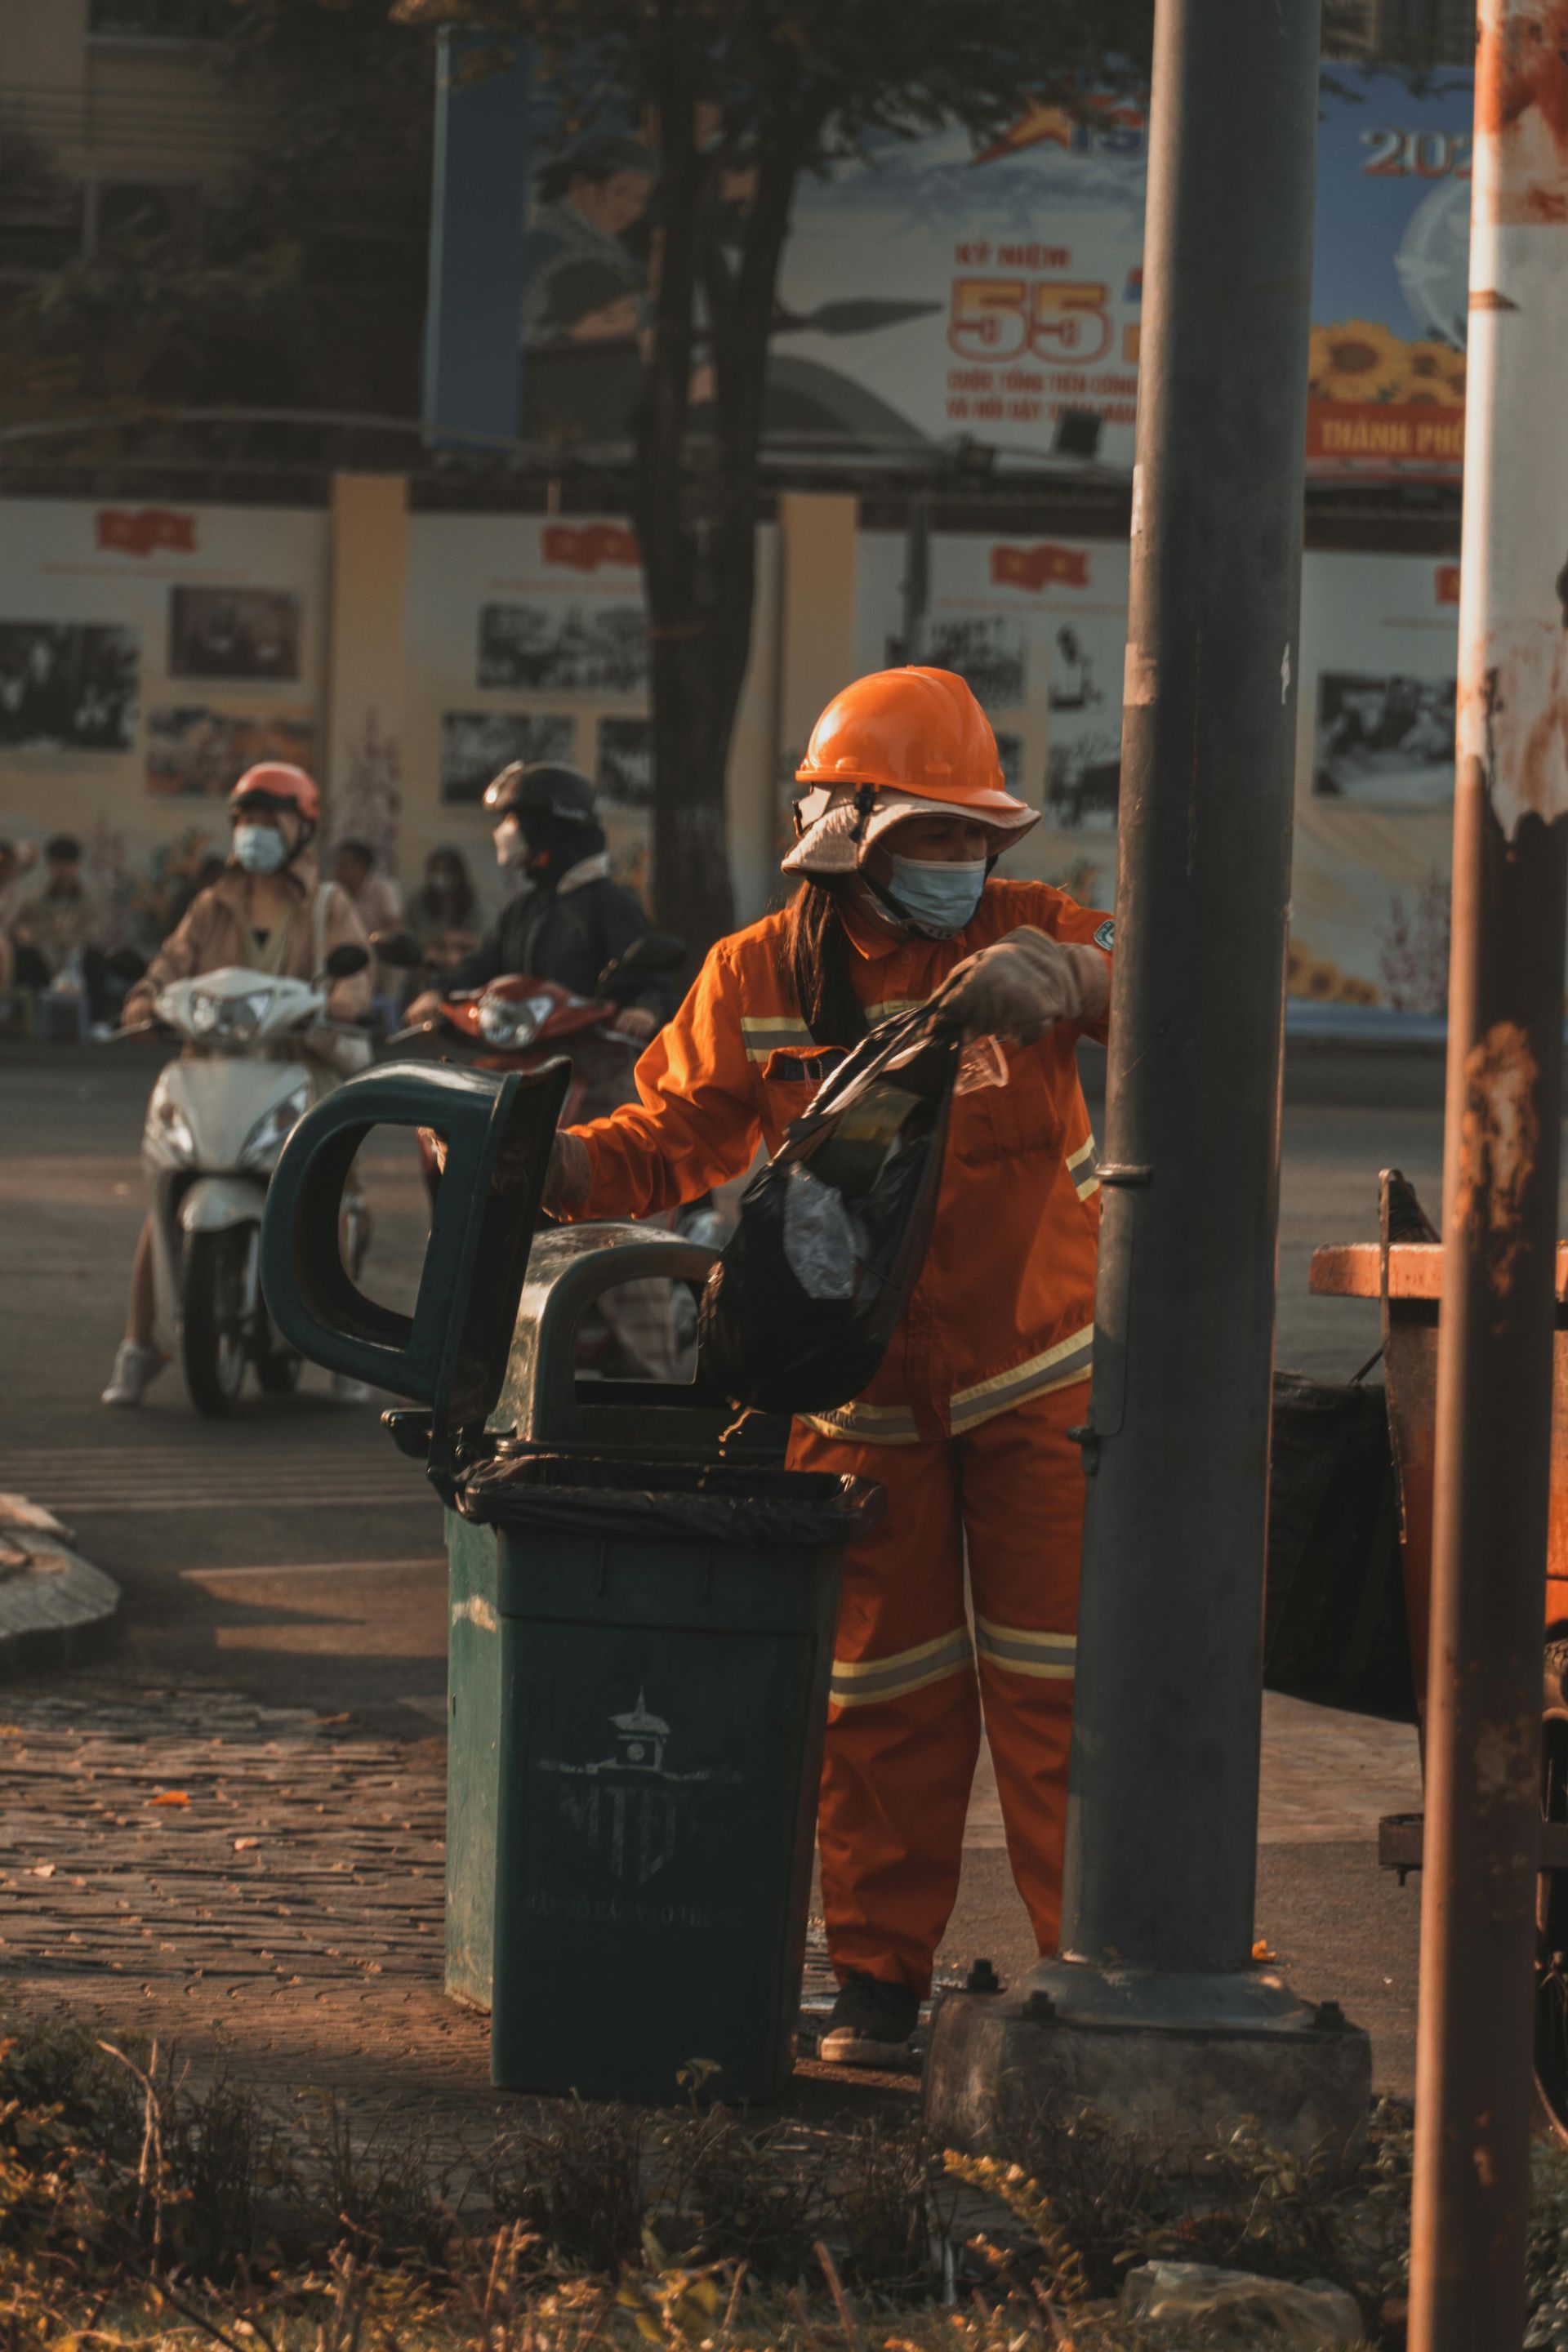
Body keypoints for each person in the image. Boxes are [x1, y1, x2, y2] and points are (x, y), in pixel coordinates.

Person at [542, 668, 1114, 2065]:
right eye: (931, 836)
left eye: (974, 838)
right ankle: (875, 1986)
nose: (960, 866)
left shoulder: (1025, 935)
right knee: (880, 1707)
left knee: (1065, 1698)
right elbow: (670, 1136)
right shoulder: (756, 978)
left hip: (1039, 1380)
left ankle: (1101, 1977)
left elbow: (1177, 977)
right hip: (858, 1402)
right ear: (846, 830)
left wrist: (1081, 979)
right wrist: (538, 1168)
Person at [102, 764, 372, 1410]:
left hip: (297, 1064)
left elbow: (356, 979)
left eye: (270, 819)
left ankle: (341, 1348)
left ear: (302, 827)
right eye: (246, 820)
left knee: (322, 1196)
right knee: (165, 1198)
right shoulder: (210, 902)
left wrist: (342, 998)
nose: (256, 832)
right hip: (212, 1072)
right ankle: (139, 1347)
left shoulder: (328, 904)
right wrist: (144, 999)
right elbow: (168, 966)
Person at [404, 763, 678, 1054]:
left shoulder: (613, 903)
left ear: (547, 828)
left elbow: (649, 981)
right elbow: (482, 962)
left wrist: (644, 1010)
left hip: (594, 1068)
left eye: (513, 819)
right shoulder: (525, 907)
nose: (503, 831)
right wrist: (435, 992)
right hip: (517, 1056)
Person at [10, 834, 114, 1034]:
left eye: (67, 865)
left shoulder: (90, 900)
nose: (62, 871)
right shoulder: (37, 899)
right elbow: (22, 926)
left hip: (76, 960)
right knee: (24, 957)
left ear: (76, 866)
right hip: (44, 958)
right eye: (57, 865)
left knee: (95, 957)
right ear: (50, 866)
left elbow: (95, 932)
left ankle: (97, 1019)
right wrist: (26, 934)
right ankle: (30, 1017)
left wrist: (71, 948)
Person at [329, 837, 405, 1002]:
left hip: (383, 964)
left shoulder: (383, 889)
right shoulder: (336, 893)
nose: (338, 872)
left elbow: (395, 930)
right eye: (337, 865)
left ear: (363, 867)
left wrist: (367, 941)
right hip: (350, 961)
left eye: (345, 866)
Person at [407, 845, 480, 975]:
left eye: (446, 871)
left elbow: (484, 941)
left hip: (465, 964)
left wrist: (458, 940)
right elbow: (411, 938)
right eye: (436, 871)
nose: (440, 877)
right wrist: (436, 945)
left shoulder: (475, 905)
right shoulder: (418, 903)